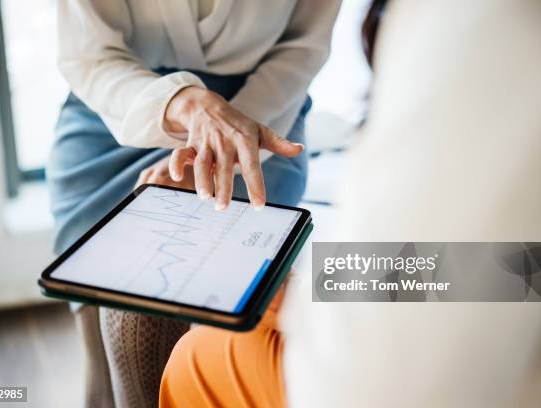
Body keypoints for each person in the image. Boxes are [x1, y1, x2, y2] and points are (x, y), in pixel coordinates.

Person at [160, 0, 541, 406]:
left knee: (201, 356)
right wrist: (318, 285)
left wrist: (296, 299)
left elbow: (369, 382)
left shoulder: (490, 26)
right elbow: (531, 270)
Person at [46, 0, 340, 406]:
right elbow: (86, 52)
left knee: (194, 298)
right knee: (100, 309)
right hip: (118, 103)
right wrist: (185, 104)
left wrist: (221, 147)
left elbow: (302, 48)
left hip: (262, 111)